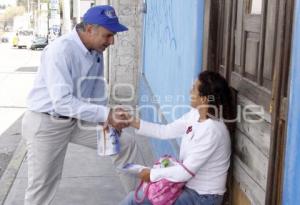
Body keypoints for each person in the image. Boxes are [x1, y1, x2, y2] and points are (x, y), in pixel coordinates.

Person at [22, 5, 141, 205]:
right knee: (42, 186)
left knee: (125, 143)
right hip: (47, 122)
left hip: (77, 120)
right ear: (89, 30)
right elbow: (61, 103)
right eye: (108, 35)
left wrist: (106, 120)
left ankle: (142, 200)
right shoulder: (60, 51)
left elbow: (96, 89)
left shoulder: (96, 50)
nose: (111, 41)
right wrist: (106, 114)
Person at [121, 71, 234, 205]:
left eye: (194, 89)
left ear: (204, 99)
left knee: (133, 200)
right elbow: (165, 131)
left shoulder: (213, 130)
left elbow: (186, 172)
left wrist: (152, 174)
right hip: (187, 187)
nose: (190, 92)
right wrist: (131, 121)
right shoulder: (195, 115)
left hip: (203, 197)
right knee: (139, 197)